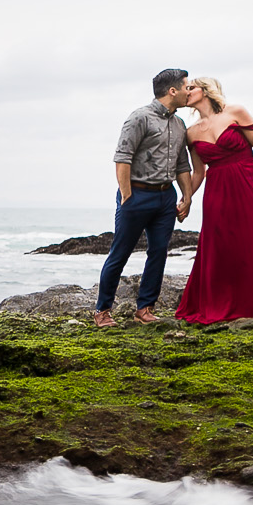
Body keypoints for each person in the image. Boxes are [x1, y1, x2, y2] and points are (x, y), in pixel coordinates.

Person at [173, 76, 253, 323]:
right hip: (217, 190)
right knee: (220, 246)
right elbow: (198, 172)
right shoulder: (190, 133)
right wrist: (186, 199)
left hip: (248, 182)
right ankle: (220, 303)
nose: (187, 91)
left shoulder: (236, 111)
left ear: (205, 90)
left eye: (191, 87)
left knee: (251, 242)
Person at [96, 69, 199, 327]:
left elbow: (182, 165)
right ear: (172, 91)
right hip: (137, 195)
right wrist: (127, 196)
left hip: (166, 199)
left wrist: (187, 197)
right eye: (186, 87)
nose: (190, 91)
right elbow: (122, 158)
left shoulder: (179, 124)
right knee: (120, 253)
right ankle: (102, 311)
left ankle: (145, 309)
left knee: (159, 253)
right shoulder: (139, 118)